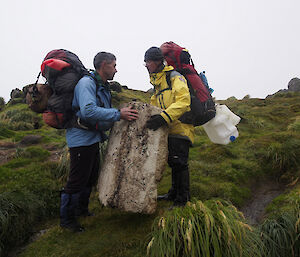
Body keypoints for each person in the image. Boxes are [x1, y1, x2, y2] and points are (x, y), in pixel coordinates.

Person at [60, 52, 139, 232]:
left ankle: (82, 210)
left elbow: (100, 109)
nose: (116, 70)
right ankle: (67, 220)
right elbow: (88, 111)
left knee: (90, 176)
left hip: (92, 137)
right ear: (104, 65)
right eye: (114, 65)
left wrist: (117, 112)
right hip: (81, 139)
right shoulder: (87, 83)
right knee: (77, 179)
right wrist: (118, 115)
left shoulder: (100, 85)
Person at [144, 47, 195, 207]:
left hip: (180, 127)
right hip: (169, 128)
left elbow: (183, 101)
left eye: (148, 61)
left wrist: (163, 117)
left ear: (158, 61)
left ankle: (183, 200)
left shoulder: (174, 77)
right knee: (173, 162)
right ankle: (174, 192)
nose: (146, 65)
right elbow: (155, 103)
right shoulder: (158, 82)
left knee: (180, 163)